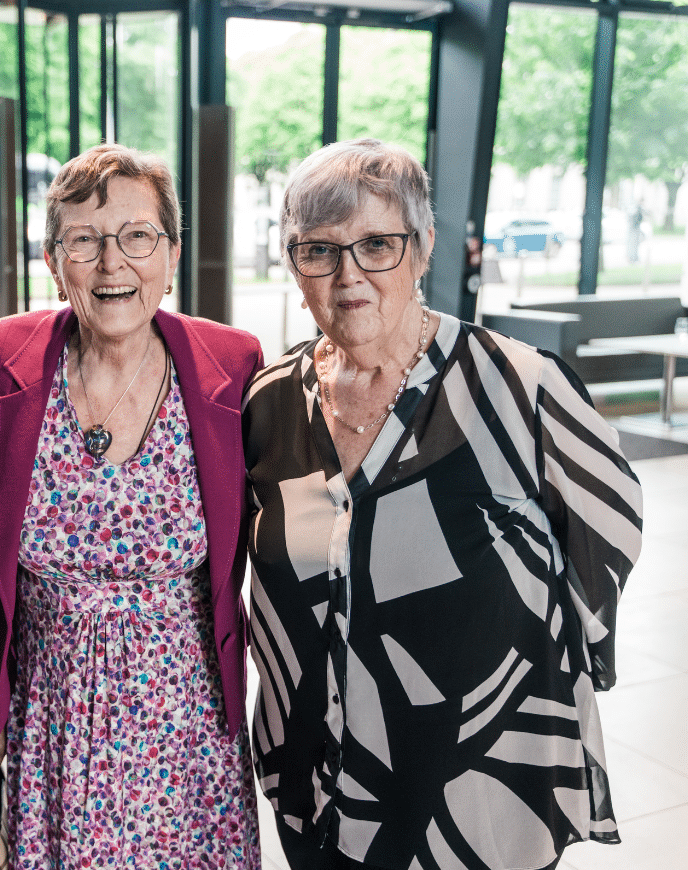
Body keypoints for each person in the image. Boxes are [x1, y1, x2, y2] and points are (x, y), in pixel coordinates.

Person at [242, 138, 643, 870]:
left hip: (484, 782)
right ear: (292, 263)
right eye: (319, 250)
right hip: (318, 779)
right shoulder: (270, 402)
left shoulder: (520, 386)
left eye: (377, 245)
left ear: (423, 249)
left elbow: (608, 530)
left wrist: (545, 649)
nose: (349, 274)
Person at [0, 143, 263, 869]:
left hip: (189, 729)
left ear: (172, 254)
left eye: (137, 237)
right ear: (51, 258)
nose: (112, 264)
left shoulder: (235, 365)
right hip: (49, 723)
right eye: (84, 241)